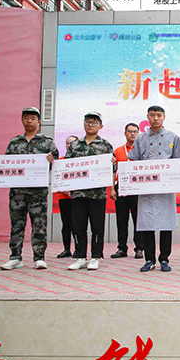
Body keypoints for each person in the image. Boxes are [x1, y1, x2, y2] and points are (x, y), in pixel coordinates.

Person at [0, 107, 58, 270]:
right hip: (17, 192)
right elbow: (5, 165)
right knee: (16, 225)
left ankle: (39, 257)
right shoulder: (14, 143)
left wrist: (51, 161)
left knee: (39, 225)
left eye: (32, 118)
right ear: (22, 120)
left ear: (39, 121)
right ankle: (15, 257)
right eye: (26, 118)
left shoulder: (47, 142)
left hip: (38, 193)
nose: (29, 121)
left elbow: (56, 165)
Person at [128, 106, 180, 272]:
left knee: (166, 225)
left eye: (159, 115)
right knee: (147, 224)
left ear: (164, 117)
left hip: (166, 188)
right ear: (148, 117)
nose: (156, 118)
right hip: (147, 188)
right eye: (152, 115)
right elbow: (133, 161)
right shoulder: (141, 138)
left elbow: (177, 161)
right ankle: (149, 259)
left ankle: (164, 259)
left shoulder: (173, 137)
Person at [66, 111, 115, 271]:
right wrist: (66, 185)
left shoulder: (105, 145)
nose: (90, 124)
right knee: (78, 226)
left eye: (94, 122)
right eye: (87, 121)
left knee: (97, 227)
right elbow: (66, 165)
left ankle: (95, 257)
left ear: (100, 126)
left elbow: (112, 167)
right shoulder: (75, 145)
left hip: (97, 194)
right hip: (78, 193)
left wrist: (113, 163)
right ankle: (80, 257)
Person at [111, 123, 145, 259]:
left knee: (138, 219)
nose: (132, 134)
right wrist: (112, 188)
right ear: (125, 133)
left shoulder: (142, 151)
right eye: (130, 131)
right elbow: (113, 171)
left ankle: (139, 248)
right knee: (121, 219)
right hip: (121, 186)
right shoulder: (118, 151)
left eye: (135, 131)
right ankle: (122, 248)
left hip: (137, 187)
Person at [56, 135, 78, 259]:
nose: (70, 145)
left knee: (77, 225)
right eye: (68, 143)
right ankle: (66, 249)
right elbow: (57, 178)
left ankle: (78, 249)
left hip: (78, 198)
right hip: (64, 198)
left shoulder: (82, 161)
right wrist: (64, 189)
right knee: (66, 224)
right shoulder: (60, 161)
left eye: (73, 143)